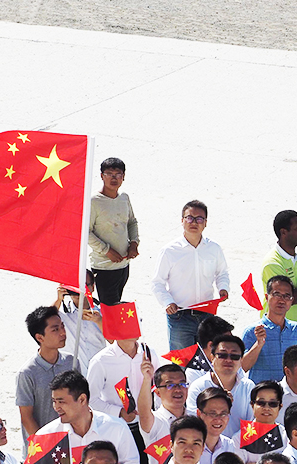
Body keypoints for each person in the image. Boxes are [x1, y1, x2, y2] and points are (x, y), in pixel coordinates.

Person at [26, 371, 139, 464]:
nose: (56, 407)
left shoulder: (116, 428)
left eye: (61, 401)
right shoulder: (45, 436)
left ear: (82, 399)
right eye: (54, 401)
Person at [87, 335, 163, 464]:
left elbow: (159, 387)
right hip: (115, 428)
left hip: (144, 427)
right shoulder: (101, 360)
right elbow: (90, 400)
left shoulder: (148, 353)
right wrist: (119, 412)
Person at [151, 200, 230, 350]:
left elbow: (222, 273)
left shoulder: (214, 248)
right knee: (182, 362)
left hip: (207, 315)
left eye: (199, 219)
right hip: (180, 316)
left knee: (208, 360)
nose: (194, 222)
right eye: (189, 218)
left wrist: (223, 288)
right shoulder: (169, 251)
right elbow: (157, 283)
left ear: (205, 223)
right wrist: (168, 302)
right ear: (182, 221)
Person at [16, 305, 75, 442]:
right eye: (55, 329)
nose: (63, 332)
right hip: (42, 446)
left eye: (62, 326)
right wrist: (45, 445)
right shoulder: (27, 373)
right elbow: (26, 417)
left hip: (71, 442)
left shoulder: (72, 362)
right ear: (39, 337)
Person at [88, 157, 139, 305]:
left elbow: (132, 222)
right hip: (103, 267)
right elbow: (85, 233)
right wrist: (107, 250)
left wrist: (134, 243)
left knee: (116, 306)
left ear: (123, 176)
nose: (114, 178)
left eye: (118, 174)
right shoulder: (93, 201)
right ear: (101, 176)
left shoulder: (124, 198)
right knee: (109, 309)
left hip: (123, 265)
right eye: (109, 174)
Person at [241, 276, 297, 382]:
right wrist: (258, 344)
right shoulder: (252, 331)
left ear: (292, 300)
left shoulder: (296, 329)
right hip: (261, 391)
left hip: (290, 391)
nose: (282, 300)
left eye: (287, 296)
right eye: (277, 294)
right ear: (267, 297)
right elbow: (242, 367)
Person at [187, 335, 255, 438]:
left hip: (242, 445)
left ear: (241, 360)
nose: (228, 360)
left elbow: (252, 423)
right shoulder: (198, 387)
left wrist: (233, 444)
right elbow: (194, 423)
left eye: (234, 356)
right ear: (212, 358)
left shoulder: (248, 387)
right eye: (222, 355)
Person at [135, 362, 188, 464]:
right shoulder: (155, 421)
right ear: (157, 392)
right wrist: (147, 379)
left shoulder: (196, 418)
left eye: (182, 384)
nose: (178, 389)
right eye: (170, 385)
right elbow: (143, 411)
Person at [53, 272, 106, 374]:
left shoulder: (102, 311)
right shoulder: (62, 313)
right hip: (74, 373)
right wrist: (58, 299)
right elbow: (44, 320)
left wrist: (99, 321)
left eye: (84, 286)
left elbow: (113, 340)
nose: (79, 290)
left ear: (92, 287)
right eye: (74, 286)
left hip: (100, 371)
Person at [195, 387, 241, 464]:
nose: (218, 419)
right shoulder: (189, 446)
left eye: (223, 414)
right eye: (212, 414)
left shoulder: (229, 445)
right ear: (199, 414)